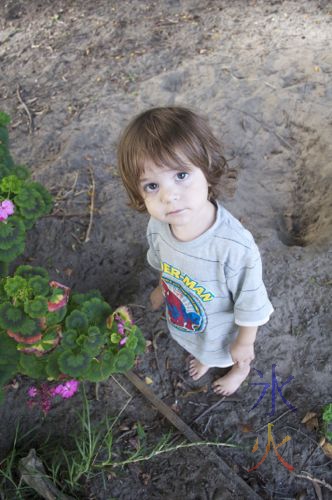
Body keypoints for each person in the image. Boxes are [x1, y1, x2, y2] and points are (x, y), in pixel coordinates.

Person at [117, 106, 274, 396]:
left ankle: (240, 371)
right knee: (203, 345)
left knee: (228, 352)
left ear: (207, 166)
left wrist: (245, 341)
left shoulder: (233, 247)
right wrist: (161, 288)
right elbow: (167, 264)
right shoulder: (158, 226)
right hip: (190, 314)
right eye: (152, 185)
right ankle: (204, 357)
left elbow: (251, 302)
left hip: (225, 326)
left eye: (180, 175)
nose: (169, 195)